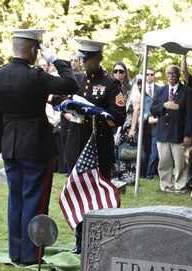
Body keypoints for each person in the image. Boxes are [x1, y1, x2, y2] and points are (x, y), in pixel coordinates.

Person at [0, 29, 79, 265]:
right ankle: (30, 255)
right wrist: (56, 59)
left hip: (11, 147)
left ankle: (15, 251)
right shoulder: (35, 76)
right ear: (35, 50)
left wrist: (0, 146)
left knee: (15, 199)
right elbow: (71, 83)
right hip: (36, 147)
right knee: (34, 199)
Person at [64, 38, 127, 254]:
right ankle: (80, 241)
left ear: (99, 57)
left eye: (88, 59)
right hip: (76, 145)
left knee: (97, 196)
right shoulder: (77, 81)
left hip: (98, 147)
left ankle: (98, 241)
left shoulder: (111, 84)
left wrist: (93, 115)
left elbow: (119, 117)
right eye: (82, 58)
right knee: (78, 193)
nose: (84, 62)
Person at [151, 65, 192, 193]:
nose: (171, 76)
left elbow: (190, 115)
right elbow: (153, 109)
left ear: (178, 75)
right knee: (164, 161)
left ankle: (180, 186)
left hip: (180, 133)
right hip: (163, 133)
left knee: (182, 162)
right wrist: (164, 105)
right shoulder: (160, 90)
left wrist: (187, 134)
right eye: (168, 73)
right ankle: (166, 186)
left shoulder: (187, 91)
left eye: (173, 74)